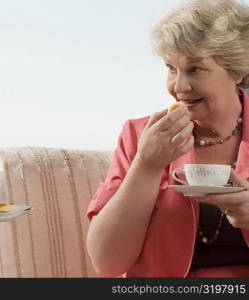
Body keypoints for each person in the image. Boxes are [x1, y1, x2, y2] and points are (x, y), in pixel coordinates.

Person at [86, 0, 249, 277]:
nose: (178, 87)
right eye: (171, 68)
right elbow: (107, 263)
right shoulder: (139, 136)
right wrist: (146, 165)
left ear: (237, 71)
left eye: (194, 69)